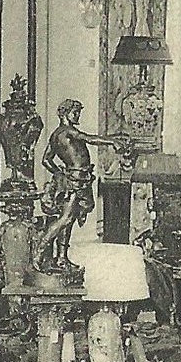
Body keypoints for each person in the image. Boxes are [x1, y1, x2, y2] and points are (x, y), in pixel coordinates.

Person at [36, 99, 127, 281]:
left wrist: (60, 173)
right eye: (74, 112)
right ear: (64, 113)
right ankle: (39, 249)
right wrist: (111, 141)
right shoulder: (67, 131)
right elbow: (89, 139)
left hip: (76, 178)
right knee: (66, 218)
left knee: (68, 220)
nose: (77, 116)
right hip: (76, 181)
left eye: (78, 112)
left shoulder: (55, 135)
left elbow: (46, 160)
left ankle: (61, 258)